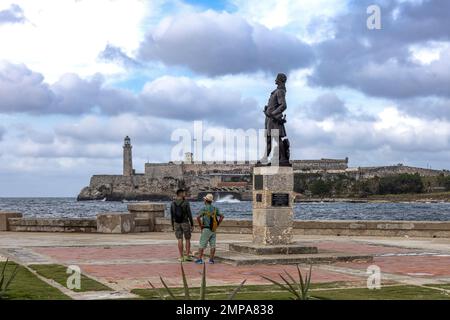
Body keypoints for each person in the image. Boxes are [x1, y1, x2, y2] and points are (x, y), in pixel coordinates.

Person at [195, 193, 224, 264]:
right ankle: (211, 260)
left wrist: (201, 225)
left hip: (206, 229)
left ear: (205, 200)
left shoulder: (204, 208)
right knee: (213, 245)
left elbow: (198, 217)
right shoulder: (215, 209)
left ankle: (199, 259)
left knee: (202, 244)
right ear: (211, 201)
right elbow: (222, 216)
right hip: (213, 229)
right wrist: (217, 224)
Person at [170, 189, 194, 262]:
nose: (185, 194)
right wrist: (192, 224)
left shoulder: (173, 203)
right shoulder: (186, 203)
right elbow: (189, 214)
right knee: (187, 239)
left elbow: (172, 215)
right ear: (180, 194)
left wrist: (172, 225)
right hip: (185, 222)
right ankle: (187, 256)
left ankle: (181, 257)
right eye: (184, 193)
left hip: (176, 223)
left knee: (179, 239)